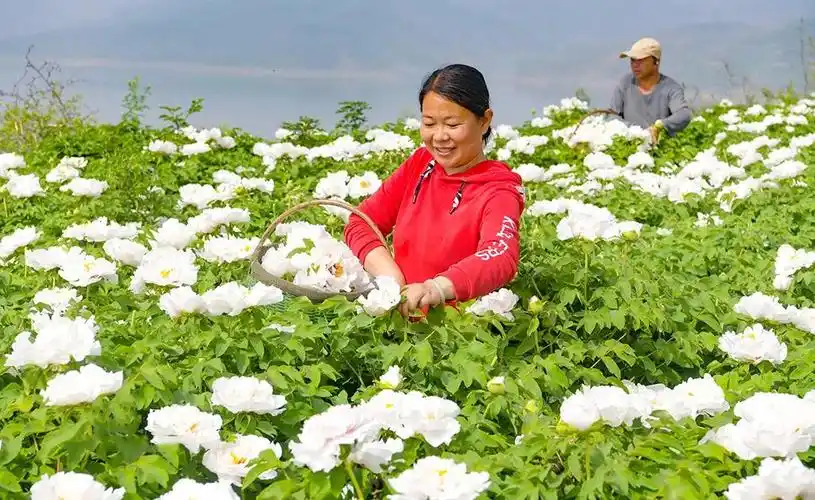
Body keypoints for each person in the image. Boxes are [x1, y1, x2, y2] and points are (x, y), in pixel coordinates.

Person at [344, 64, 525, 317]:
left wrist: (436, 289)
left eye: (452, 125)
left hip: (457, 330)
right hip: (396, 318)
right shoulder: (420, 165)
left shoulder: (499, 189)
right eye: (429, 123)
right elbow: (360, 222)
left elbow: (499, 256)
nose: (439, 136)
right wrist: (392, 279)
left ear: (484, 121)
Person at [610, 37, 692, 143]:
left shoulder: (671, 88)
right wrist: (637, 132)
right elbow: (612, 116)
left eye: (640, 60)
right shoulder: (625, 84)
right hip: (628, 144)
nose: (635, 65)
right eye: (632, 60)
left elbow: (684, 114)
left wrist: (660, 126)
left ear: (656, 61)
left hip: (659, 148)